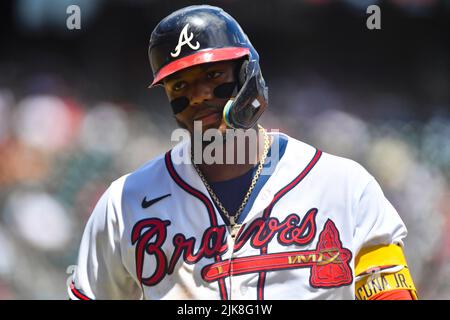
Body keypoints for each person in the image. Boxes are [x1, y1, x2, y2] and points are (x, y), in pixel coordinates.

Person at [68, 5, 418, 300]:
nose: (199, 95)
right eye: (180, 85)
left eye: (213, 74)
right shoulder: (125, 202)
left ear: (249, 74)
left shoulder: (344, 186)